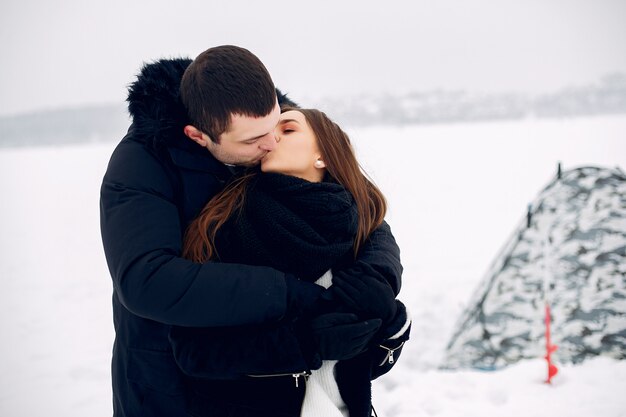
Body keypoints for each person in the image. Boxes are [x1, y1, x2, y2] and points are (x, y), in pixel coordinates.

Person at [100, 45, 403, 417]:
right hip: (165, 382)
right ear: (199, 136)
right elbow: (147, 279)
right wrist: (297, 299)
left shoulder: (267, 128)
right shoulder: (142, 163)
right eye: (252, 141)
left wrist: (374, 279)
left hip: (275, 384)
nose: (271, 142)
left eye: (277, 123)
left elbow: (361, 209)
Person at [169, 107, 411, 417]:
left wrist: (389, 320)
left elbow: (368, 363)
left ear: (322, 154)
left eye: (288, 130)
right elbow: (193, 352)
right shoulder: (226, 225)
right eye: (270, 130)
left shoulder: (358, 230)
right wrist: (301, 344)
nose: (272, 138)